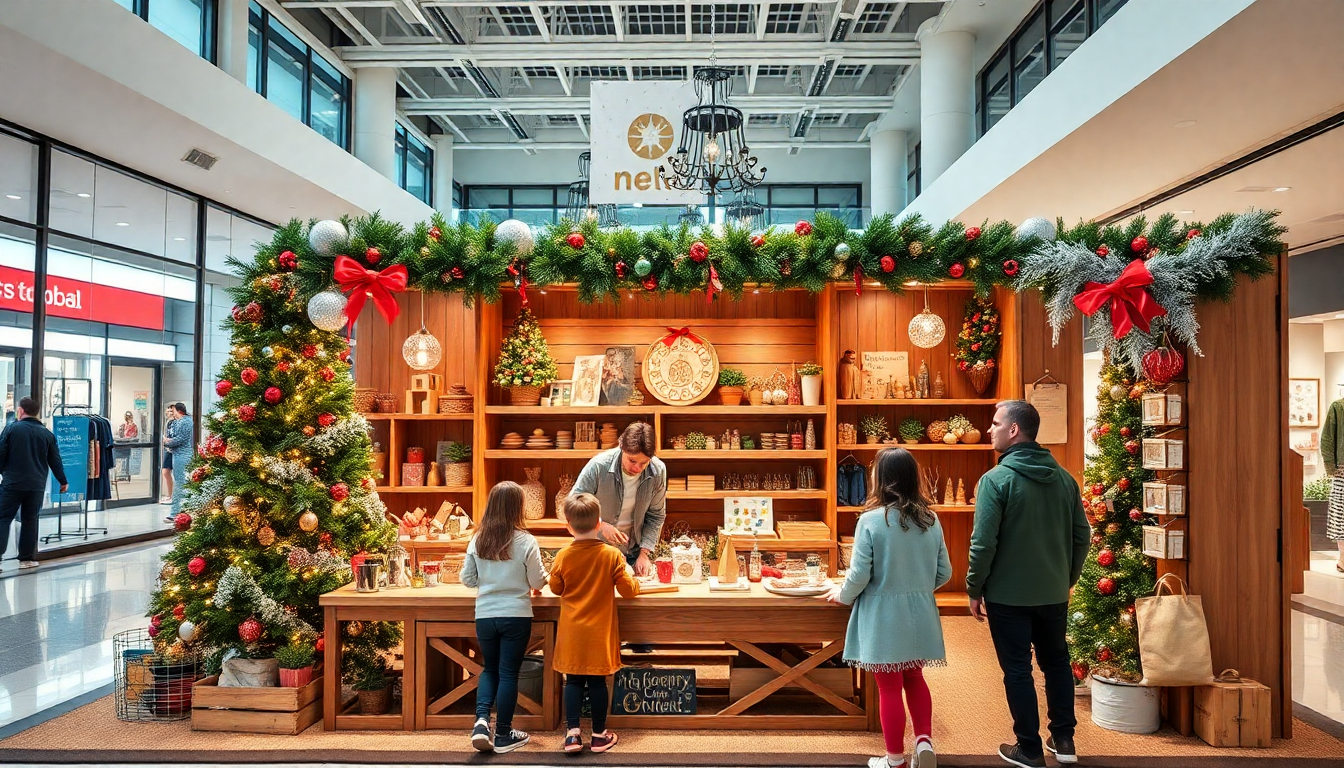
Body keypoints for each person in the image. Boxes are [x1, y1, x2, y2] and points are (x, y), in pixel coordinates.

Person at [966, 400, 1089, 768]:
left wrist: (974, 588)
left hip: (1008, 596)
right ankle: (1064, 740)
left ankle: (1030, 749)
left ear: (1014, 430)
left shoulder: (995, 480)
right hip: (1053, 592)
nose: (990, 430)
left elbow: (983, 543)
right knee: (1057, 662)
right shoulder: (1065, 479)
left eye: (995, 423)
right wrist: (1066, 578)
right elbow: (1082, 536)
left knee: (1018, 669)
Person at [825, 448, 950, 768]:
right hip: (920, 613)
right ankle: (924, 741)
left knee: (889, 687)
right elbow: (945, 573)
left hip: (883, 616)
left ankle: (895, 760)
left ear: (880, 479)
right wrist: (918, 588)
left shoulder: (870, 520)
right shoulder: (931, 519)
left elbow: (859, 575)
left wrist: (842, 595)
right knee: (915, 678)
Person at [460, 481, 548, 754]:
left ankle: (481, 722)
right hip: (516, 614)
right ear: (518, 507)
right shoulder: (526, 541)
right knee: (509, 673)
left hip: (485, 615)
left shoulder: (478, 539)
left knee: (490, 669)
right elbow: (538, 580)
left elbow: (467, 579)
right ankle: (503, 733)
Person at [549, 493, 639, 754]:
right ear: (599, 524)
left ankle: (572, 735)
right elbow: (629, 591)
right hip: (600, 634)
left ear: (568, 526)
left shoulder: (563, 555)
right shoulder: (611, 555)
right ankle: (599, 735)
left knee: (573, 682)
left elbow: (555, 588)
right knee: (598, 683)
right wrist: (630, 573)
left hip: (572, 633)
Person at [569, 422, 666, 577]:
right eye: (632, 461)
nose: (637, 468)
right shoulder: (598, 466)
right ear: (621, 446)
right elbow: (573, 505)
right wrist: (600, 525)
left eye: (643, 463)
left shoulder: (657, 471)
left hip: (634, 553)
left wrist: (644, 554)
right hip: (597, 552)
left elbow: (656, 516)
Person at [0, 397, 68, 571]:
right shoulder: (47, 434)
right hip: (36, 485)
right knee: (30, 520)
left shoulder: (11, 429)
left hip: (12, 483)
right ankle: (26, 560)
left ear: (21, 411)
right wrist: (62, 480)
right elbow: (55, 460)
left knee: (3, 518)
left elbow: (1, 454)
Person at [163, 403, 193, 521]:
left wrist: (167, 442)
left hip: (182, 455)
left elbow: (179, 439)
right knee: (182, 483)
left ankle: (175, 513)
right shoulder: (182, 421)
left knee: (180, 483)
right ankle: (180, 511)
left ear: (179, 411)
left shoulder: (185, 422)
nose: (173, 413)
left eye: (174, 411)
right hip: (179, 455)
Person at [159, 405, 176, 505]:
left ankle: (173, 496)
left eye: (171, 411)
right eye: (168, 411)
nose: (169, 413)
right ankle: (170, 495)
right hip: (168, 449)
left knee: (169, 472)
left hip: (173, 450)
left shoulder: (175, 423)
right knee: (165, 472)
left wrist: (167, 440)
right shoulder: (168, 422)